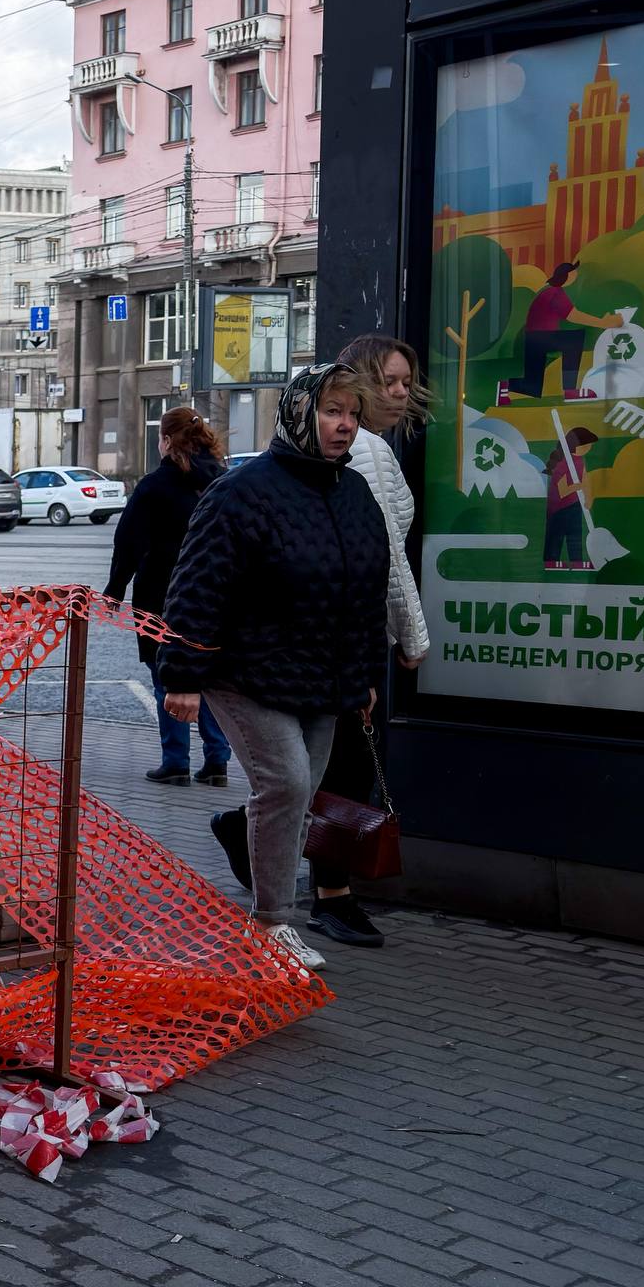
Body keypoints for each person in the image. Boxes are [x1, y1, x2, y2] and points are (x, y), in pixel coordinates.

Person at [158, 362, 390, 971]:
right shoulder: (243, 490)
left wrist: (366, 674)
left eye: (352, 415)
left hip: (320, 676)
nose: (344, 426)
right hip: (245, 671)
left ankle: (267, 907)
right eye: (332, 411)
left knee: (299, 793)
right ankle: (269, 927)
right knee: (285, 783)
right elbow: (198, 586)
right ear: (299, 412)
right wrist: (181, 675)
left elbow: (368, 592)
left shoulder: (356, 493)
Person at [303, 336, 436, 948]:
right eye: (389, 380)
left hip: (337, 633)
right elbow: (383, 560)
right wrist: (412, 635)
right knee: (347, 766)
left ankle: (252, 832)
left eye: (407, 380)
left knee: (325, 763)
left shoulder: (370, 448)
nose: (401, 392)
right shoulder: (371, 452)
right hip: (352, 640)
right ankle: (331, 895)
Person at [106, 406, 233, 785]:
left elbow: (128, 541)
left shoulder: (153, 486)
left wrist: (116, 588)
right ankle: (217, 762)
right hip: (214, 596)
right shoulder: (221, 480)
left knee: (166, 674)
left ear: (164, 440)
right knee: (207, 676)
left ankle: (175, 761)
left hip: (161, 593)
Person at [498, 262, 619, 404]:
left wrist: (601, 322)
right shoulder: (555, 292)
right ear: (567, 275)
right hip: (540, 338)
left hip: (534, 340)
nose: (576, 275)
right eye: (574, 272)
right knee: (573, 341)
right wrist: (602, 323)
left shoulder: (549, 290)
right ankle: (570, 390)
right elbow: (573, 315)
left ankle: (504, 387)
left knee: (532, 386)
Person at [542, 425, 598, 569]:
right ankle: (551, 562)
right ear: (575, 446)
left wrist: (588, 497)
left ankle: (577, 561)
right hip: (558, 509)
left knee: (575, 535)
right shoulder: (563, 464)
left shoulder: (580, 461)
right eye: (586, 445)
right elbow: (562, 491)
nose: (589, 448)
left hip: (574, 505)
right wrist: (578, 487)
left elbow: (585, 479)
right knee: (556, 536)